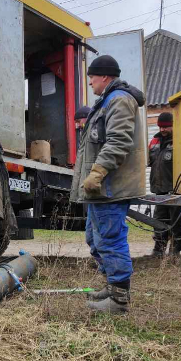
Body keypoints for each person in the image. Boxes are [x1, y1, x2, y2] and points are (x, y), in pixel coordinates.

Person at [70, 55, 146, 314]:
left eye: (92, 77)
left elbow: (118, 141)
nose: (89, 82)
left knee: (110, 239)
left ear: (104, 76)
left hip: (111, 188)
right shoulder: (107, 101)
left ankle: (119, 300)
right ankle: (112, 286)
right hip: (101, 189)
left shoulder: (119, 100)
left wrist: (98, 172)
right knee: (95, 237)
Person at [148, 112, 181, 257]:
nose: (162, 130)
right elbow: (148, 161)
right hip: (160, 190)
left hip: (177, 190)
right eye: (160, 127)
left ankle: (175, 252)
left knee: (177, 222)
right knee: (159, 221)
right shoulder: (154, 142)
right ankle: (158, 251)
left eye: (166, 127)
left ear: (174, 125)